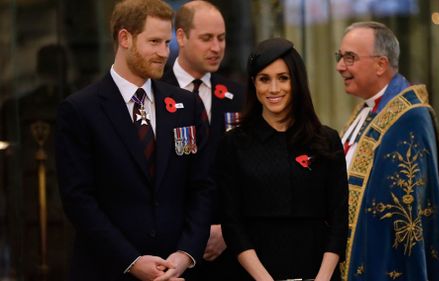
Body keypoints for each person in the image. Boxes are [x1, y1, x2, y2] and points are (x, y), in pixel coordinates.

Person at [55, 1, 214, 280]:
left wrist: (186, 254)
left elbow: (202, 186)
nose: (163, 53)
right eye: (154, 42)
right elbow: (78, 200)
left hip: (176, 271)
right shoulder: (80, 110)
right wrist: (131, 260)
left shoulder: (186, 105)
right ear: (124, 38)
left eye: (167, 43)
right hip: (107, 270)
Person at [216, 38, 349, 281]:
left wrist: (322, 277)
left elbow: (340, 220)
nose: (274, 89)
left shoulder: (326, 140)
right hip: (254, 274)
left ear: (297, 82)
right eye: (264, 79)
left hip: (319, 273)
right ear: (254, 84)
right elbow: (232, 224)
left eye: (283, 78)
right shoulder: (233, 143)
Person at [336, 21, 439, 281]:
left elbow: (402, 214)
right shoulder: (366, 109)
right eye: (340, 56)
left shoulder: (409, 117)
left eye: (350, 58)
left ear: (380, 64)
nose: (340, 66)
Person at [161, 1, 244, 279]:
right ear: (181, 37)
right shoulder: (156, 92)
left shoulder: (237, 96)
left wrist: (228, 229)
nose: (217, 47)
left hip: (230, 249)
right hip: (171, 246)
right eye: (207, 38)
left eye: (221, 38)